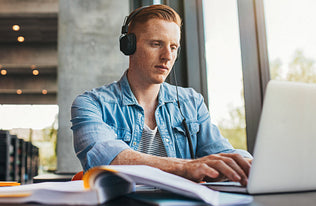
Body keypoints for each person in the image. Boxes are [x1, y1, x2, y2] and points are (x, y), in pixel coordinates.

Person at [70, 4, 252, 186]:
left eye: (173, 47)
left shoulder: (191, 102)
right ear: (129, 46)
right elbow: (106, 160)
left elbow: (222, 153)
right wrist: (187, 167)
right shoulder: (91, 104)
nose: (167, 56)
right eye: (156, 44)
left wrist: (248, 164)